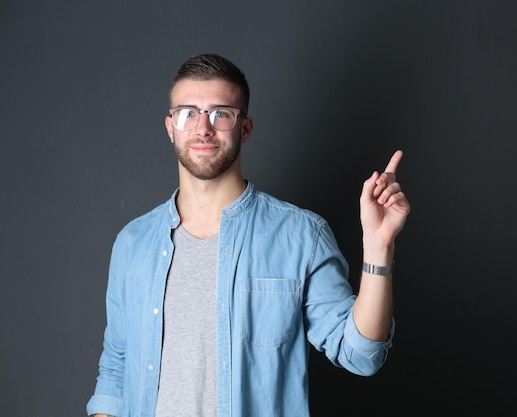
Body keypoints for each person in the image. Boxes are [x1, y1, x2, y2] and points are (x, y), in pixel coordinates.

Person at [86, 53, 410, 417]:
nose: (203, 128)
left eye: (220, 113)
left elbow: (361, 355)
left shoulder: (301, 235)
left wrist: (378, 247)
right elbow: (115, 369)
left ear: (245, 128)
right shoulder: (133, 243)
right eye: (187, 113)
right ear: (170, 127)